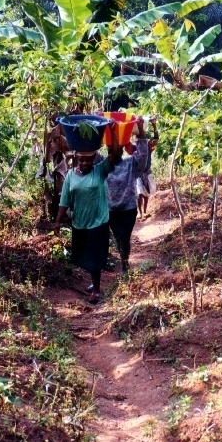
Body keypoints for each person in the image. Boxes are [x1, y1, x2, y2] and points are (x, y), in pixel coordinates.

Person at [54, 122, 120, 304]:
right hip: (79, 222)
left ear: (93, 160)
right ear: (76, 159)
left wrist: (112, 132)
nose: (85, 163)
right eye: (82, 160)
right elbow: (64, 201)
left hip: (98, 221)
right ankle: (93, 281)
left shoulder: (99, 171)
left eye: (88, 160)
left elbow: (116, 154)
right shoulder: (70, 176)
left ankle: (96, 290)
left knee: (95, 256)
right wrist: (58, 222)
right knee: (83, 256)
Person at [107, 117, 149, 274]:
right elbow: (85, 154)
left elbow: (143, 155)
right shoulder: (102, 165)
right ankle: (123, 258)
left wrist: (141, 129)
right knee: (118, 237)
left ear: (121, 149)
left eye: (116, 147)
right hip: (111, 209)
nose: (114, 150)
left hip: (128, 208)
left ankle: (124, 262)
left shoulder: (130, 163)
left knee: (124, 236)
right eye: (110, 148)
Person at [136, 118, 159, 220]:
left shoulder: (148, 145)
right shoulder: (135, 146)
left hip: (147, 172)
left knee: (146, 194)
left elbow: (156, 140)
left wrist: (154, 125)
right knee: (139, 193)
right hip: (138, 173)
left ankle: (144, 212)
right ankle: (140, 213)